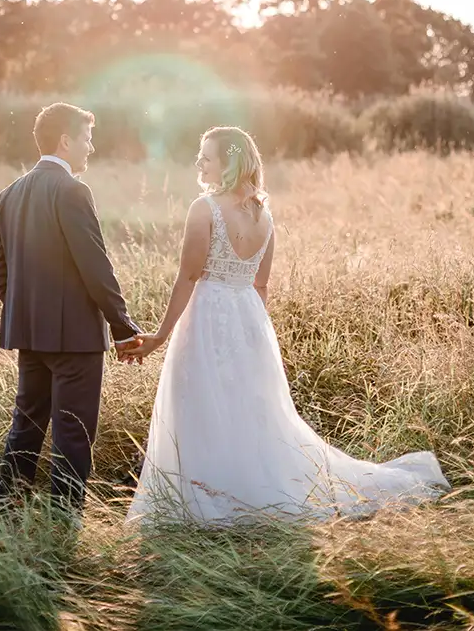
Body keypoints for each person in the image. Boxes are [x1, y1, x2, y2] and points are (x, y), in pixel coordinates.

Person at [127, 125, 450, 525]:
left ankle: (206, 499)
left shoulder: (204, 208)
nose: (199, 163)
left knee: (200, 403)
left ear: (228, 163)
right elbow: (260, 285)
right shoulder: (264, 216)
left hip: (208, 315)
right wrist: (250, 335)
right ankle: (241, 491)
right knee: (248, 409)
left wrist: (160, 335)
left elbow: (189, 277)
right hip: (249, 319)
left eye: (206, 157)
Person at [0, 102, 141, 512]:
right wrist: (123, 328)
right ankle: (63, 519)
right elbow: (95, 267)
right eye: (87, 138)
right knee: (73, 433)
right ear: (66, 141)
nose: (91, 147)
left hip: (28, 336)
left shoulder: (9, 194)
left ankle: (5, 510)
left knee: (26, 425)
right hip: (75, 340)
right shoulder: (73, 190)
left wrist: (29, 311)